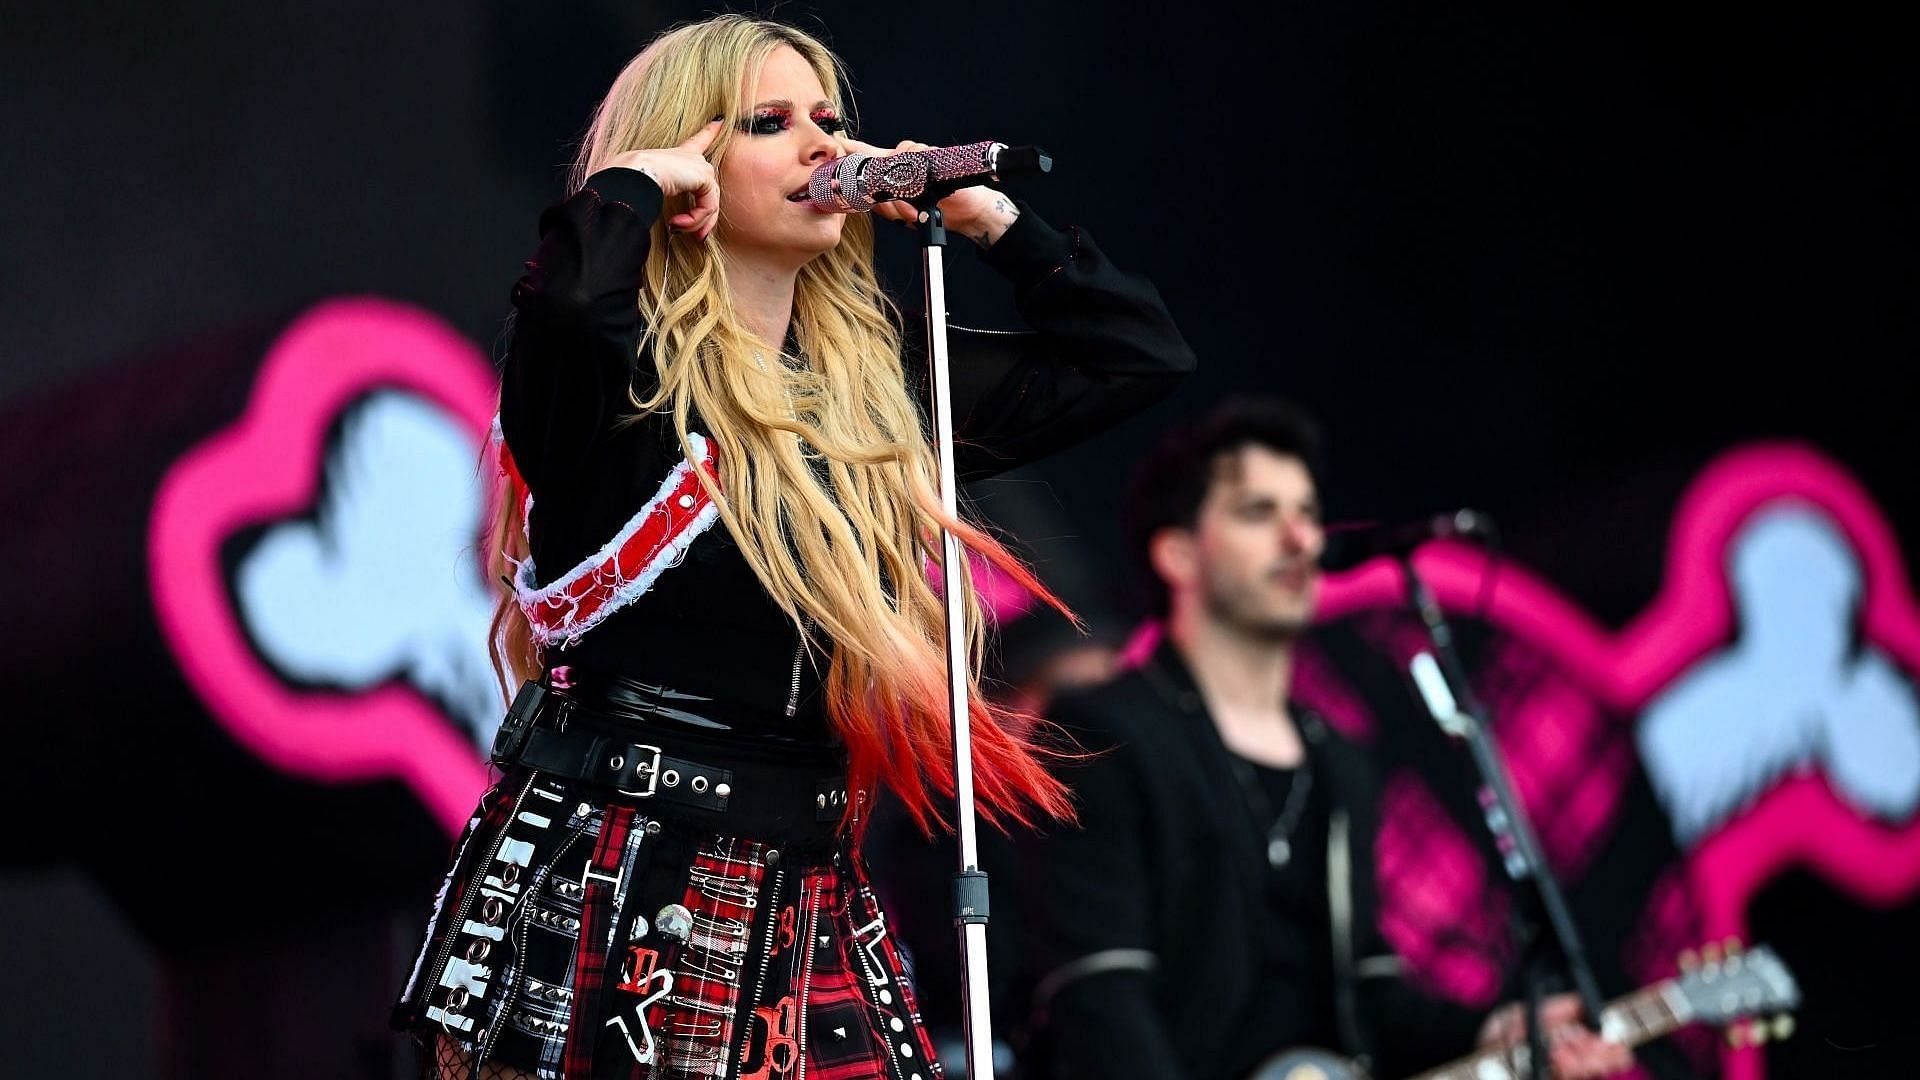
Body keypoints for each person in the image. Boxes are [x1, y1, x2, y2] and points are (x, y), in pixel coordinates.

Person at [389, 15, 1194, 1079]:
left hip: (812, 894)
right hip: (629, 882)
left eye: (831, 120)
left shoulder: (876, 393)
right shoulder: (619, 387)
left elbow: (1137, 355)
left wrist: (992, 218)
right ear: (695, 156)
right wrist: (635, 182)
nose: (826, 147)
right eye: (772, 123)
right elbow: (571, 301)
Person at [1020, 399, 1631, 1079]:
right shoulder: (1101, 730)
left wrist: (1497, 1028)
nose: (1301, 539)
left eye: (1308, 513)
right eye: (1260, 512)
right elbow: (1098, 993)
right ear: (1178, 553)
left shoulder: (1336, 758)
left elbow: (1367, 998)